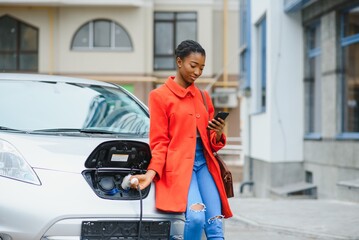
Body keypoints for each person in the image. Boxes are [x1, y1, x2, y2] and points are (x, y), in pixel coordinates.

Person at [132, 40, 233, 239]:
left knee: (215, 225)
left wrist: (219, 132)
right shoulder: (159, 96)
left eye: (202, 68)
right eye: (193, 66)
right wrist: (151, 173)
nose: (197, 72)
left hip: (204, 165)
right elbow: (159, 141)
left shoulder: (203, 97)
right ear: (179, 62)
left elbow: (211, 141)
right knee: (196, 218)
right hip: (179, 167)